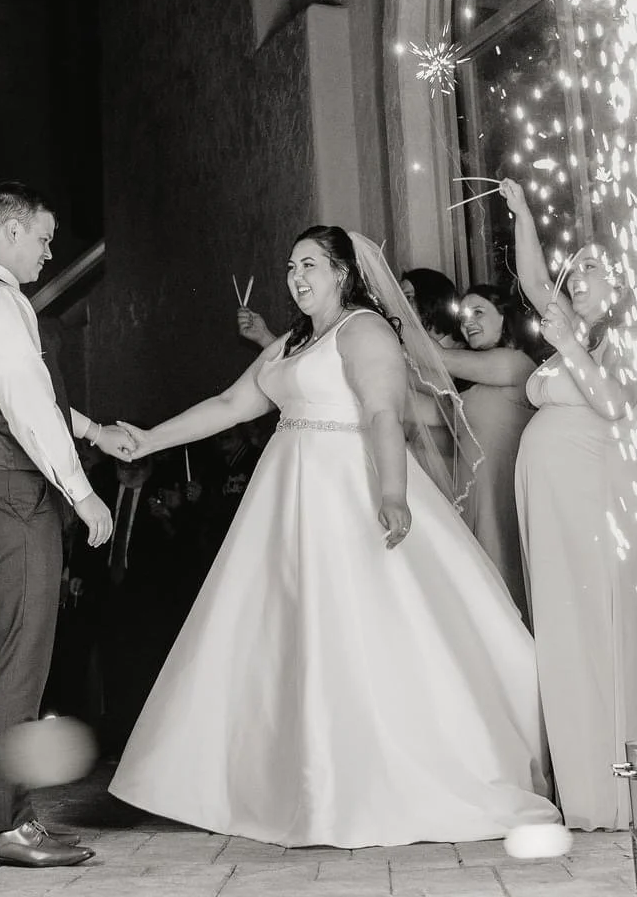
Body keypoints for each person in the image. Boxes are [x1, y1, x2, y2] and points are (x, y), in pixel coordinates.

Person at [107, 226, 559, 848]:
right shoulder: (292, 342)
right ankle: (286, 784)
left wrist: (394, 493)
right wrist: (149, 438)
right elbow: (232, 404)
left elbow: (381, 411)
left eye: (310, 264)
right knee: (282, 630)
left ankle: (368, 781)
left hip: (347, 486)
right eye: (292, 265)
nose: (297, 276)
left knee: (361, 623)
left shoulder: (363, 329)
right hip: (287, 493)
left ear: (343, 273)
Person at [0, 182, 126, 870]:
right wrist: (82, 493)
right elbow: (23, 404)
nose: (49, 251)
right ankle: (1, 826)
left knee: (0, 658)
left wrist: (97, 432)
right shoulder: (1, 302)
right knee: (19, 661)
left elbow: (14, 397)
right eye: (42, 237)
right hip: (13, 494)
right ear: (9, 230)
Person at [498, 178, 637, 830]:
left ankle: (613, 792)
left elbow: (614, 405)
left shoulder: (624, 343)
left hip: (596, 502)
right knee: (564, 631)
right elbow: (535, 283)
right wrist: (519, 214)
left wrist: (569, 347)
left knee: (596, 625)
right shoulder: (569, 331)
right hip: (553, 509)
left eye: (593, 266)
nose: (576, 274)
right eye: (575, 265)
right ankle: (580, 785)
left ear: (619, 285)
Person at [431, 284, 540, 625]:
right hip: (475, 501)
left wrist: (391, 320)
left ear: (504, 316)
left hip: (501, 499)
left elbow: (439, 357)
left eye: (478, 312)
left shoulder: (515, 364)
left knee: (505, 591)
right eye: (463, 317)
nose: (467, 322)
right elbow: (430, 413)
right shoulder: (475, 386)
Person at [399, 266, 466, 349]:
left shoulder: (465, 353)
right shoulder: (404, 348)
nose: (400, 305)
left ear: (430, 300)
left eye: (407, 297)